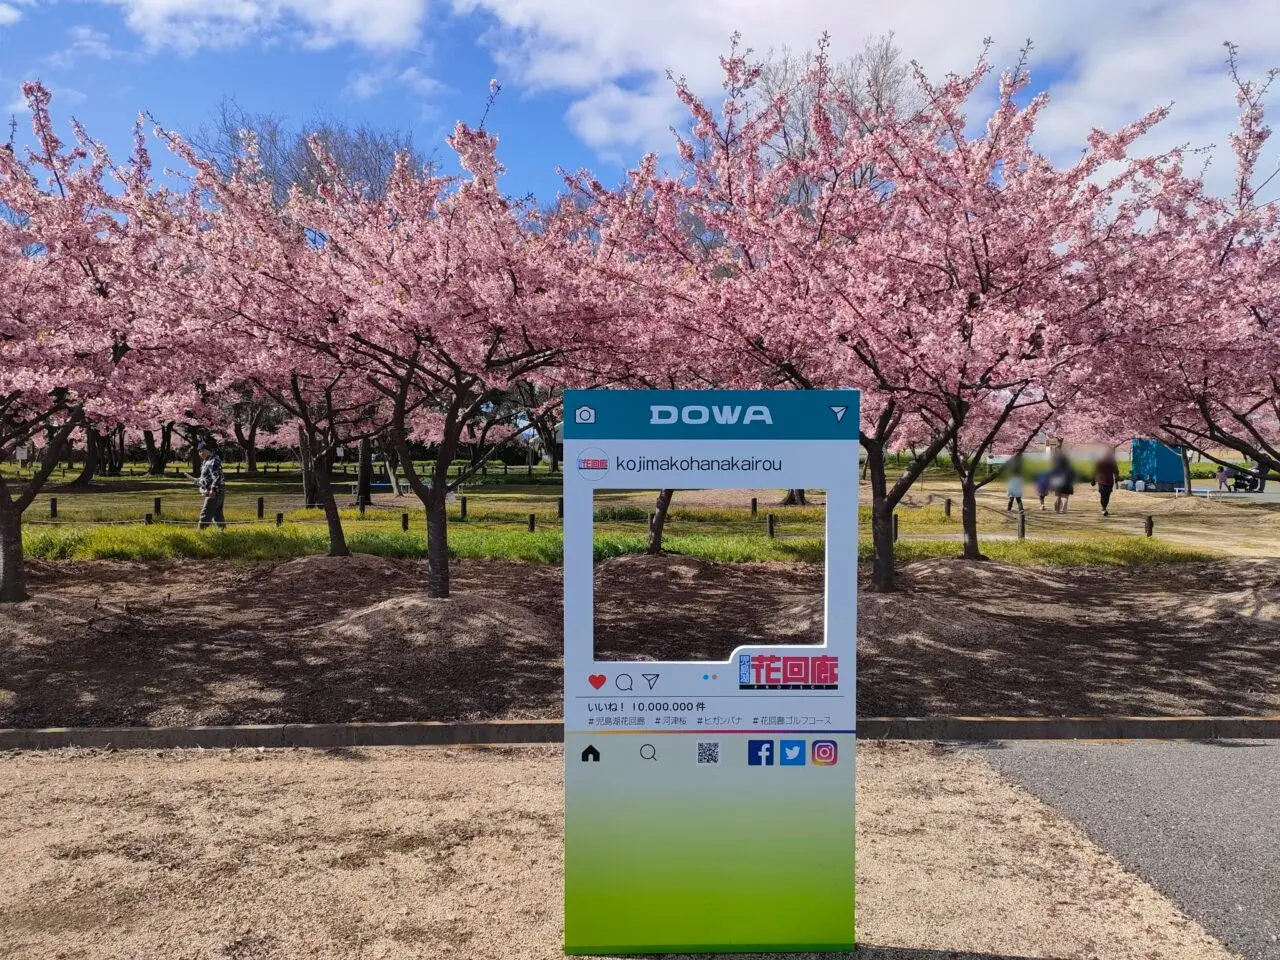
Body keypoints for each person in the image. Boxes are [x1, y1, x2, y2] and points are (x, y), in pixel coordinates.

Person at [191, 442, 226, 530]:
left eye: (203, 450)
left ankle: (200, 533)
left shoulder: (213, 461)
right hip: (215, 491)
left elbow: (217, 477)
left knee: (206, 512)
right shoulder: (206, 461)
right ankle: (223, 532)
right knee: (217, 514)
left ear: (209, 450)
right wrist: (198, 480)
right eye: (199, 451)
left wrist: (213, 490)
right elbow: (207, 476)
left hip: (215, 492)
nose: (201, 453)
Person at [1092, 451, 1122, 517]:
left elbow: (1095, 471)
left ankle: (1104, 508)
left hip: (1103, 481)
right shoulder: (1111, 462)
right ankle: (1104, 508)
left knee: (1104, 495)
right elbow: (1116, 472)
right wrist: (1117, 481)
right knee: (1106, 495)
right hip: (1107, 481)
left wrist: (1093, 480)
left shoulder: (1102, 461)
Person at [1049, 449, 1074, 514]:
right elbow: (1072, 475)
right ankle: (1064, 510)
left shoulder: (1055, 467)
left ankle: (1057, 509)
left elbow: (1051, 475)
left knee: (1057, 496)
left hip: (1057, 482)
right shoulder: (1069, 468)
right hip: (1067, 483)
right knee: (1065, 497)